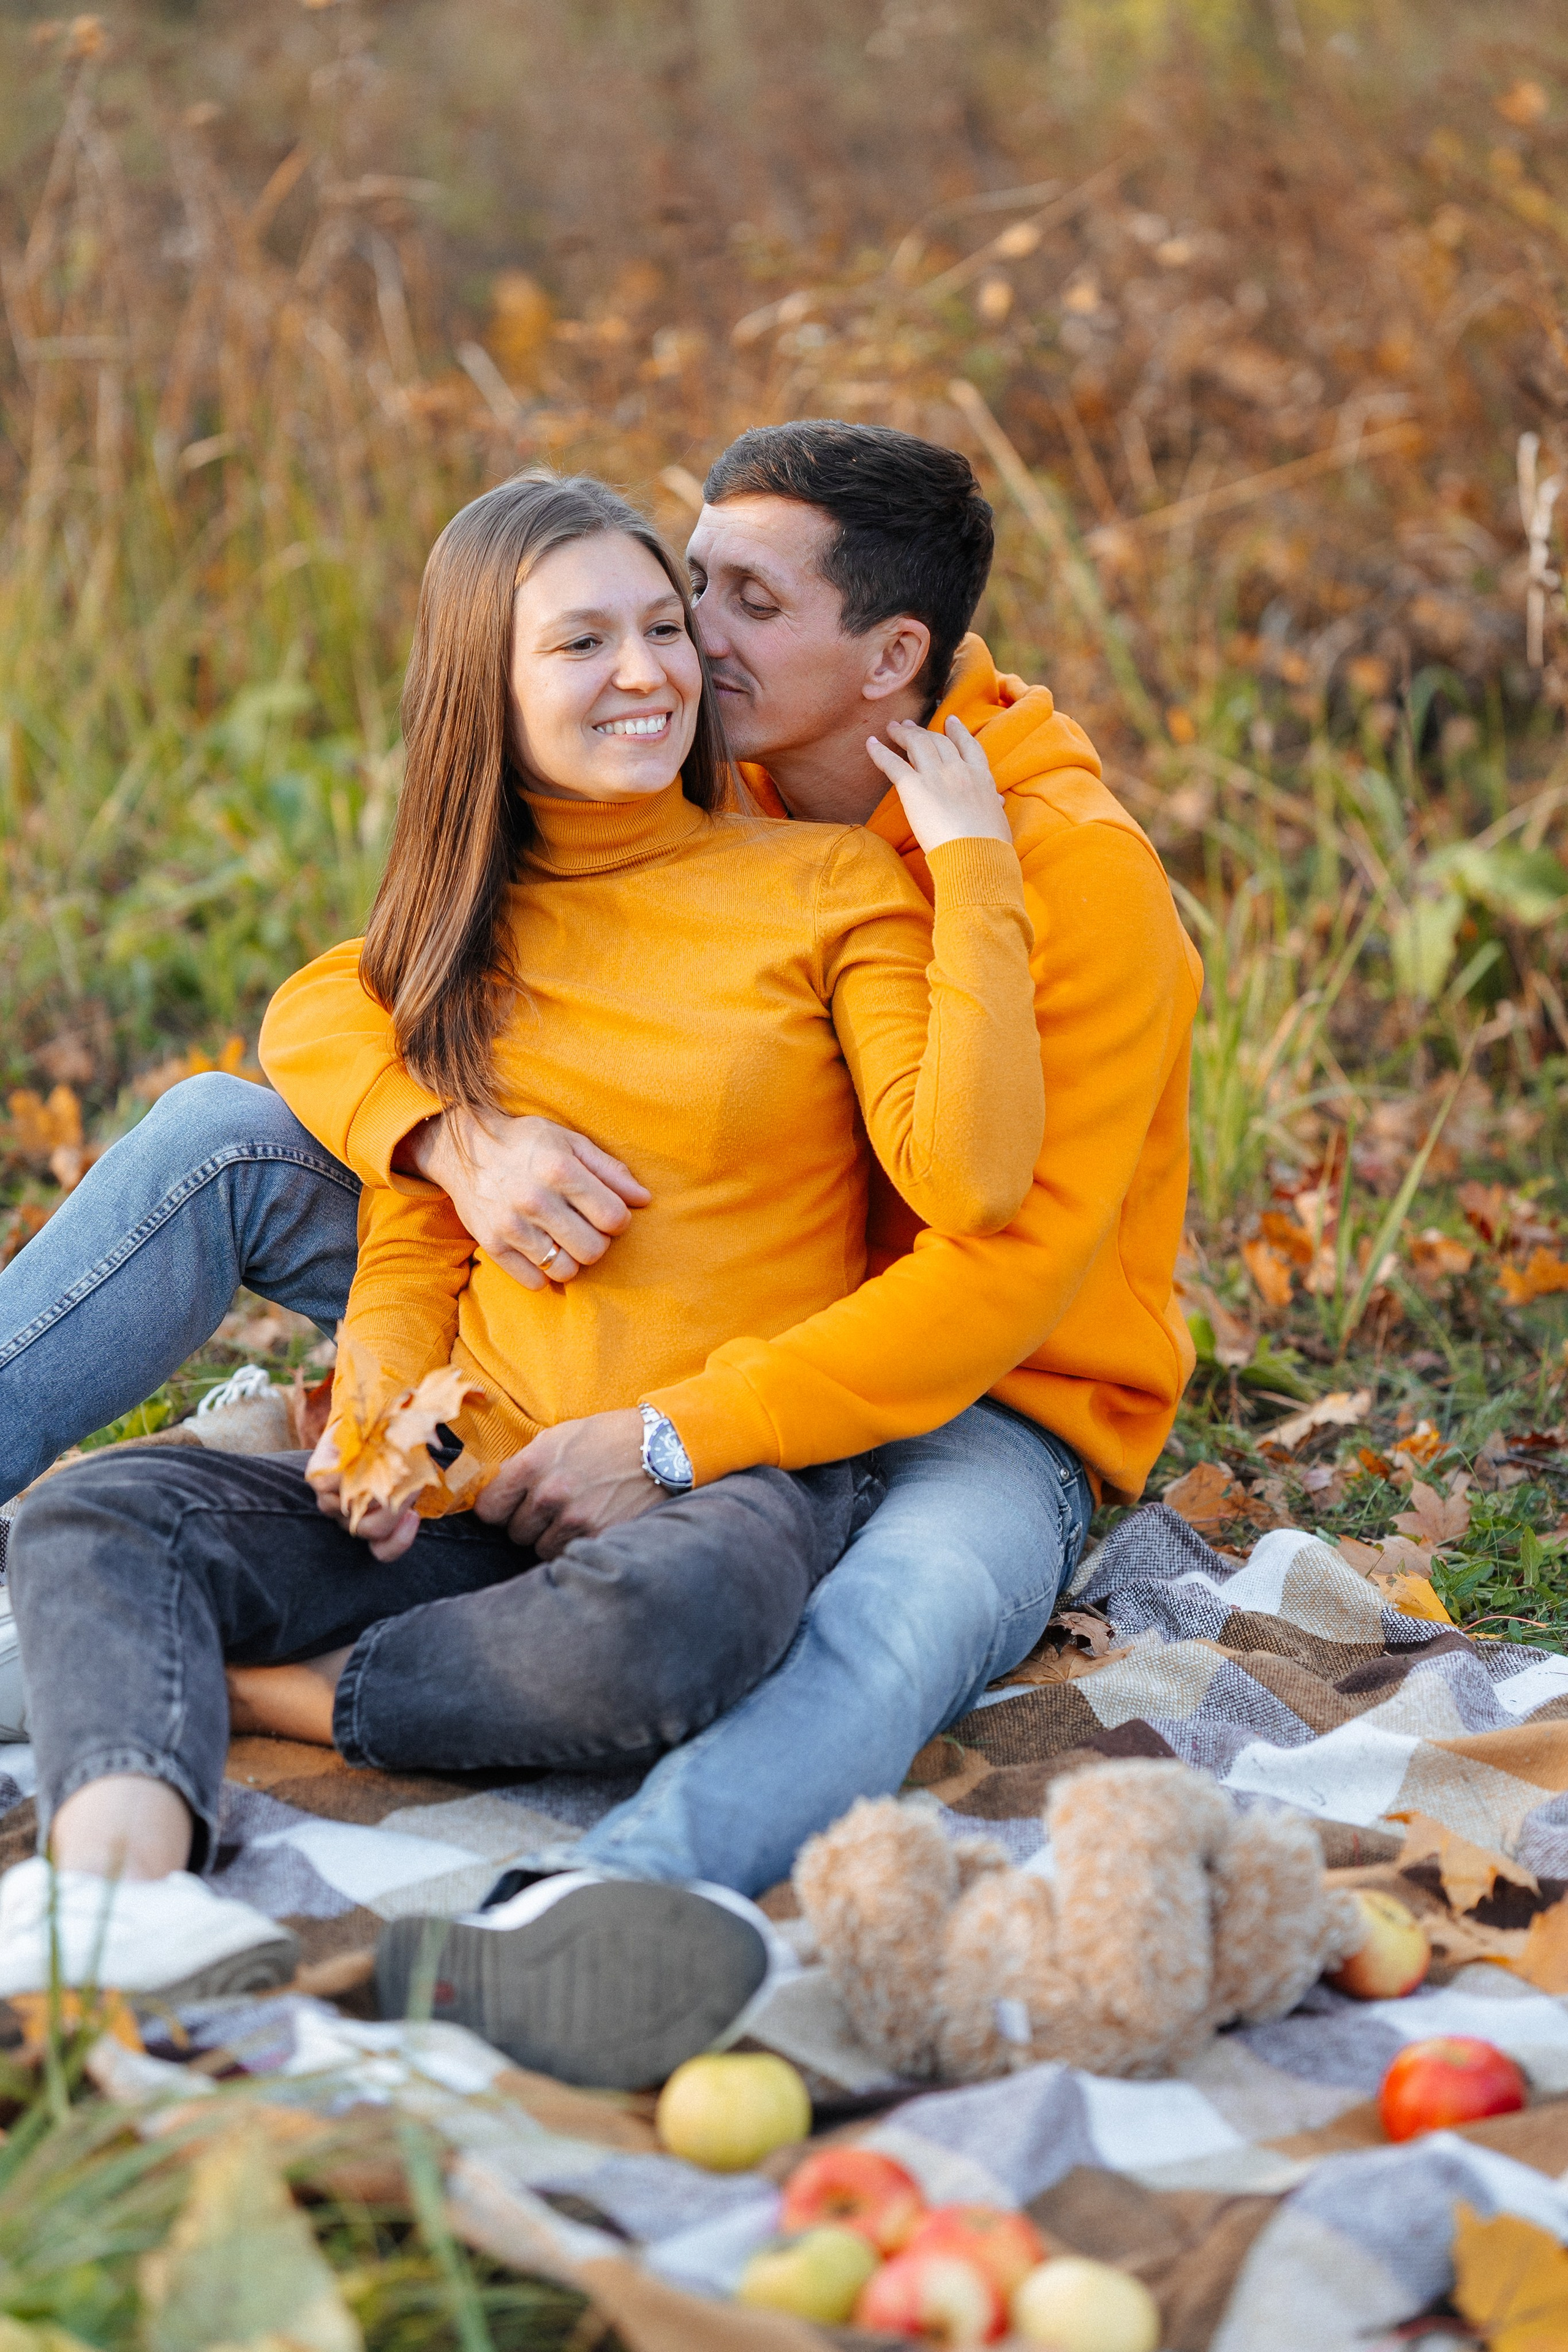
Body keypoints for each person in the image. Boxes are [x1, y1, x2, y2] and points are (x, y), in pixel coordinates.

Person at [0, 421, 1199, 2067]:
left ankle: (615, 1902)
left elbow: (993, 1255)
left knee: (890, 1620)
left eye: (727, 604)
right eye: (670, 590)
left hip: (985, 1389)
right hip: (575, 1325)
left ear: (888, 657)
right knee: (216, 1147)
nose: (682, 645)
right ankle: (126, 1782)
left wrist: (676, 1435)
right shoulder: (713, 760)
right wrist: (450, 1143)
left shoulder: (1052, 877)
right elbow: (348, 1001)